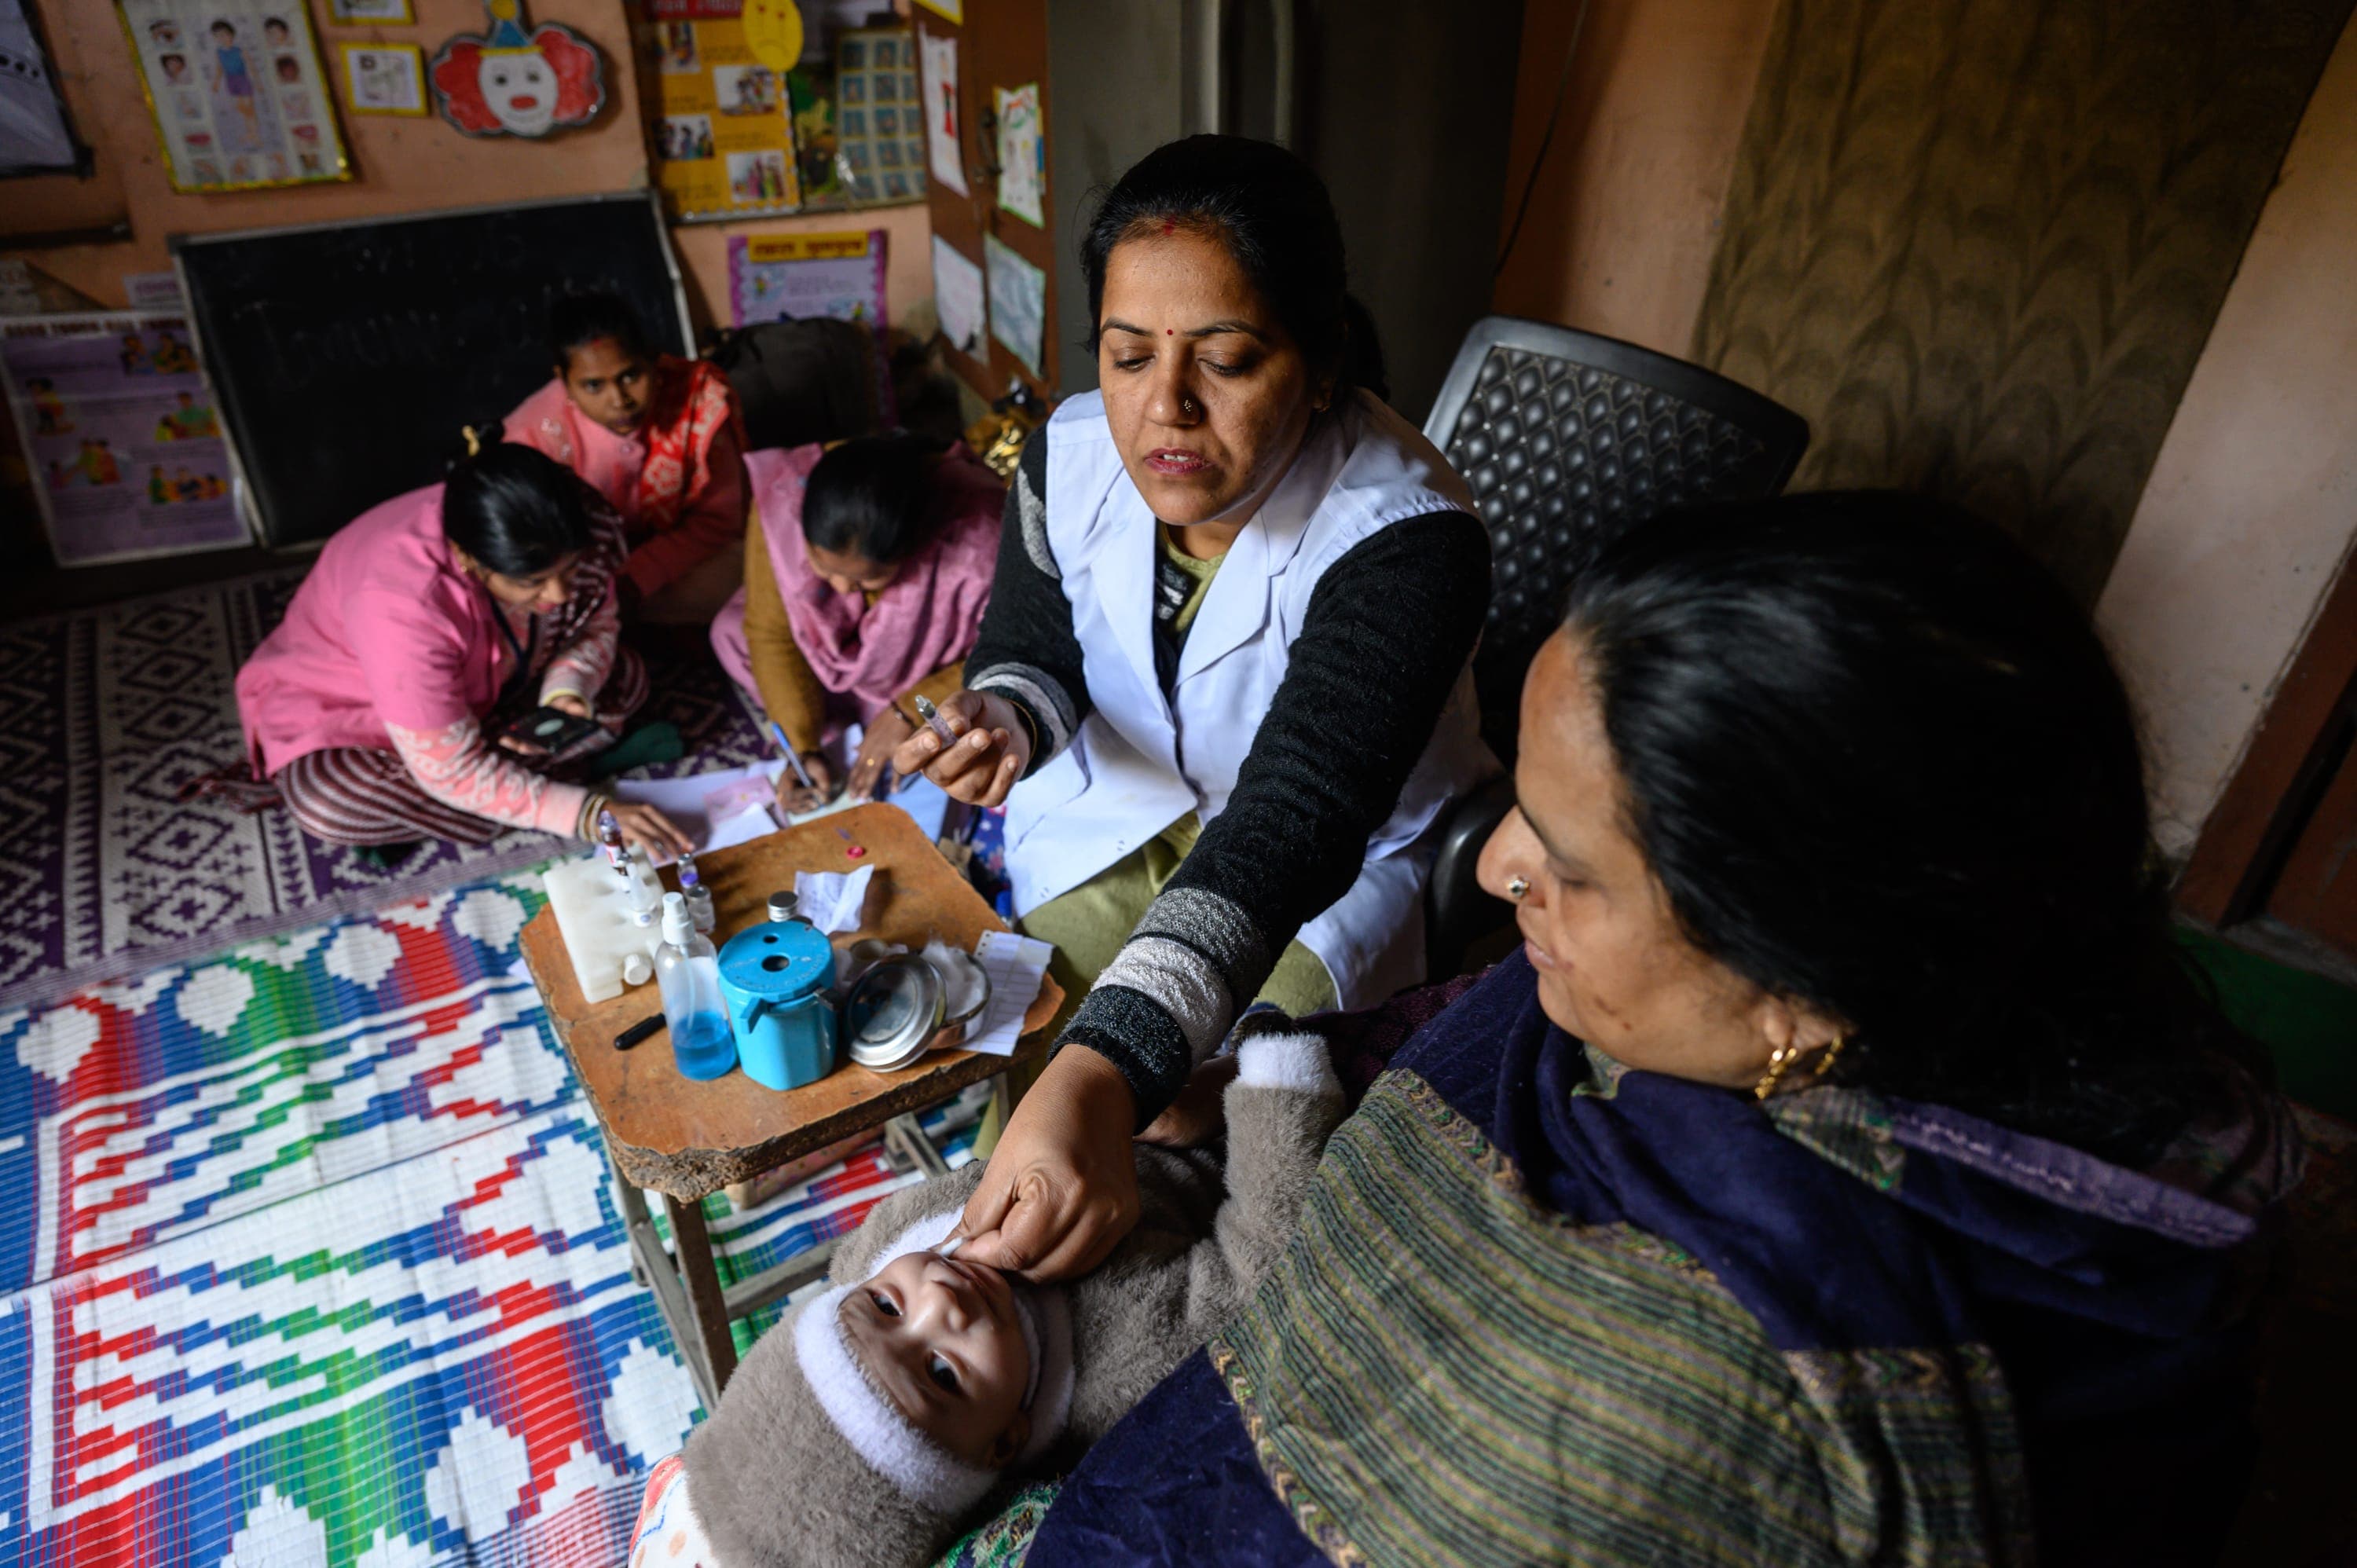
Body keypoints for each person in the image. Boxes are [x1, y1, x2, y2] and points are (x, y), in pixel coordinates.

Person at [1006, 495, 2304, 1566]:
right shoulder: (1689, 994)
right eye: (1521, 797)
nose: (1501, 864)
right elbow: (1446, 1020)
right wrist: (1170, 1076)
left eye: (1571, 863)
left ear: (1799, 988)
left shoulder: (1726, 1419)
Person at [893, 134, 1494, 1281]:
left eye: (1225, 358)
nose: (1163, 407)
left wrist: (1113, 1065)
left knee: (1234, 1120)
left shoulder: (1407, 540)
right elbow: (1033, 648)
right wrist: (1006, 720)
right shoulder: (1062, 459)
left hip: (1333, 865)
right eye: (1127, 355)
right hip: (1126, 813)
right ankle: (980, 1315)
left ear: (1321, 368)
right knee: (1023, 1067)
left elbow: (1297, 816)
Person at [632, 1027, 1345, 1567]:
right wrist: (1275, 1081)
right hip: (1222, 1130)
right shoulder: (1121, 1367)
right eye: (942, 1373)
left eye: (886, 1308)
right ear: (1002, 1444)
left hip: (1115, 1104)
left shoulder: (886, 1239)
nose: (939, 1302)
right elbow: (1261, 1261)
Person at [236, 436, 691, 858]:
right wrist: (587, 814)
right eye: (531, 583)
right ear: (469, 558)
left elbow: (596, 623)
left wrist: (566, 693)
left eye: (568, 571)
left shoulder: (570, 521)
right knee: (330, 802)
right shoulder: (402, 605)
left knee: (627, 675)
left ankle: (496, 793)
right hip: (362, 712)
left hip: (495, 690)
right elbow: (448, 768)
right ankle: (547, 780)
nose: (556, 595)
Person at [711, 433, 1005, 809]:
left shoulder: (978, 538)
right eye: (822, 567)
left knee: (966, 728)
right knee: (731, 632)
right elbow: (771, 633)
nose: (841, 590)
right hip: (839, 667)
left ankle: (867, 727)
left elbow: (1002, 650)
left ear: (913, 549)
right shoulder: (783, 503)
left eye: (866, 580)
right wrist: (804, 747)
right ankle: (841, 735)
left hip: (917, 673)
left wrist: (909, 711)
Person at [505, 291, 749, 625]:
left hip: (679, 564)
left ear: (652, 359)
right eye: (593, 386)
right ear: (563, 380)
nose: (619, 400)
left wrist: (637, 578)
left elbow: (719, 521)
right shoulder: (534, 435)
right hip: (577, 579)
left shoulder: (699, 402)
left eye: (631, 376)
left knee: (748, 574)